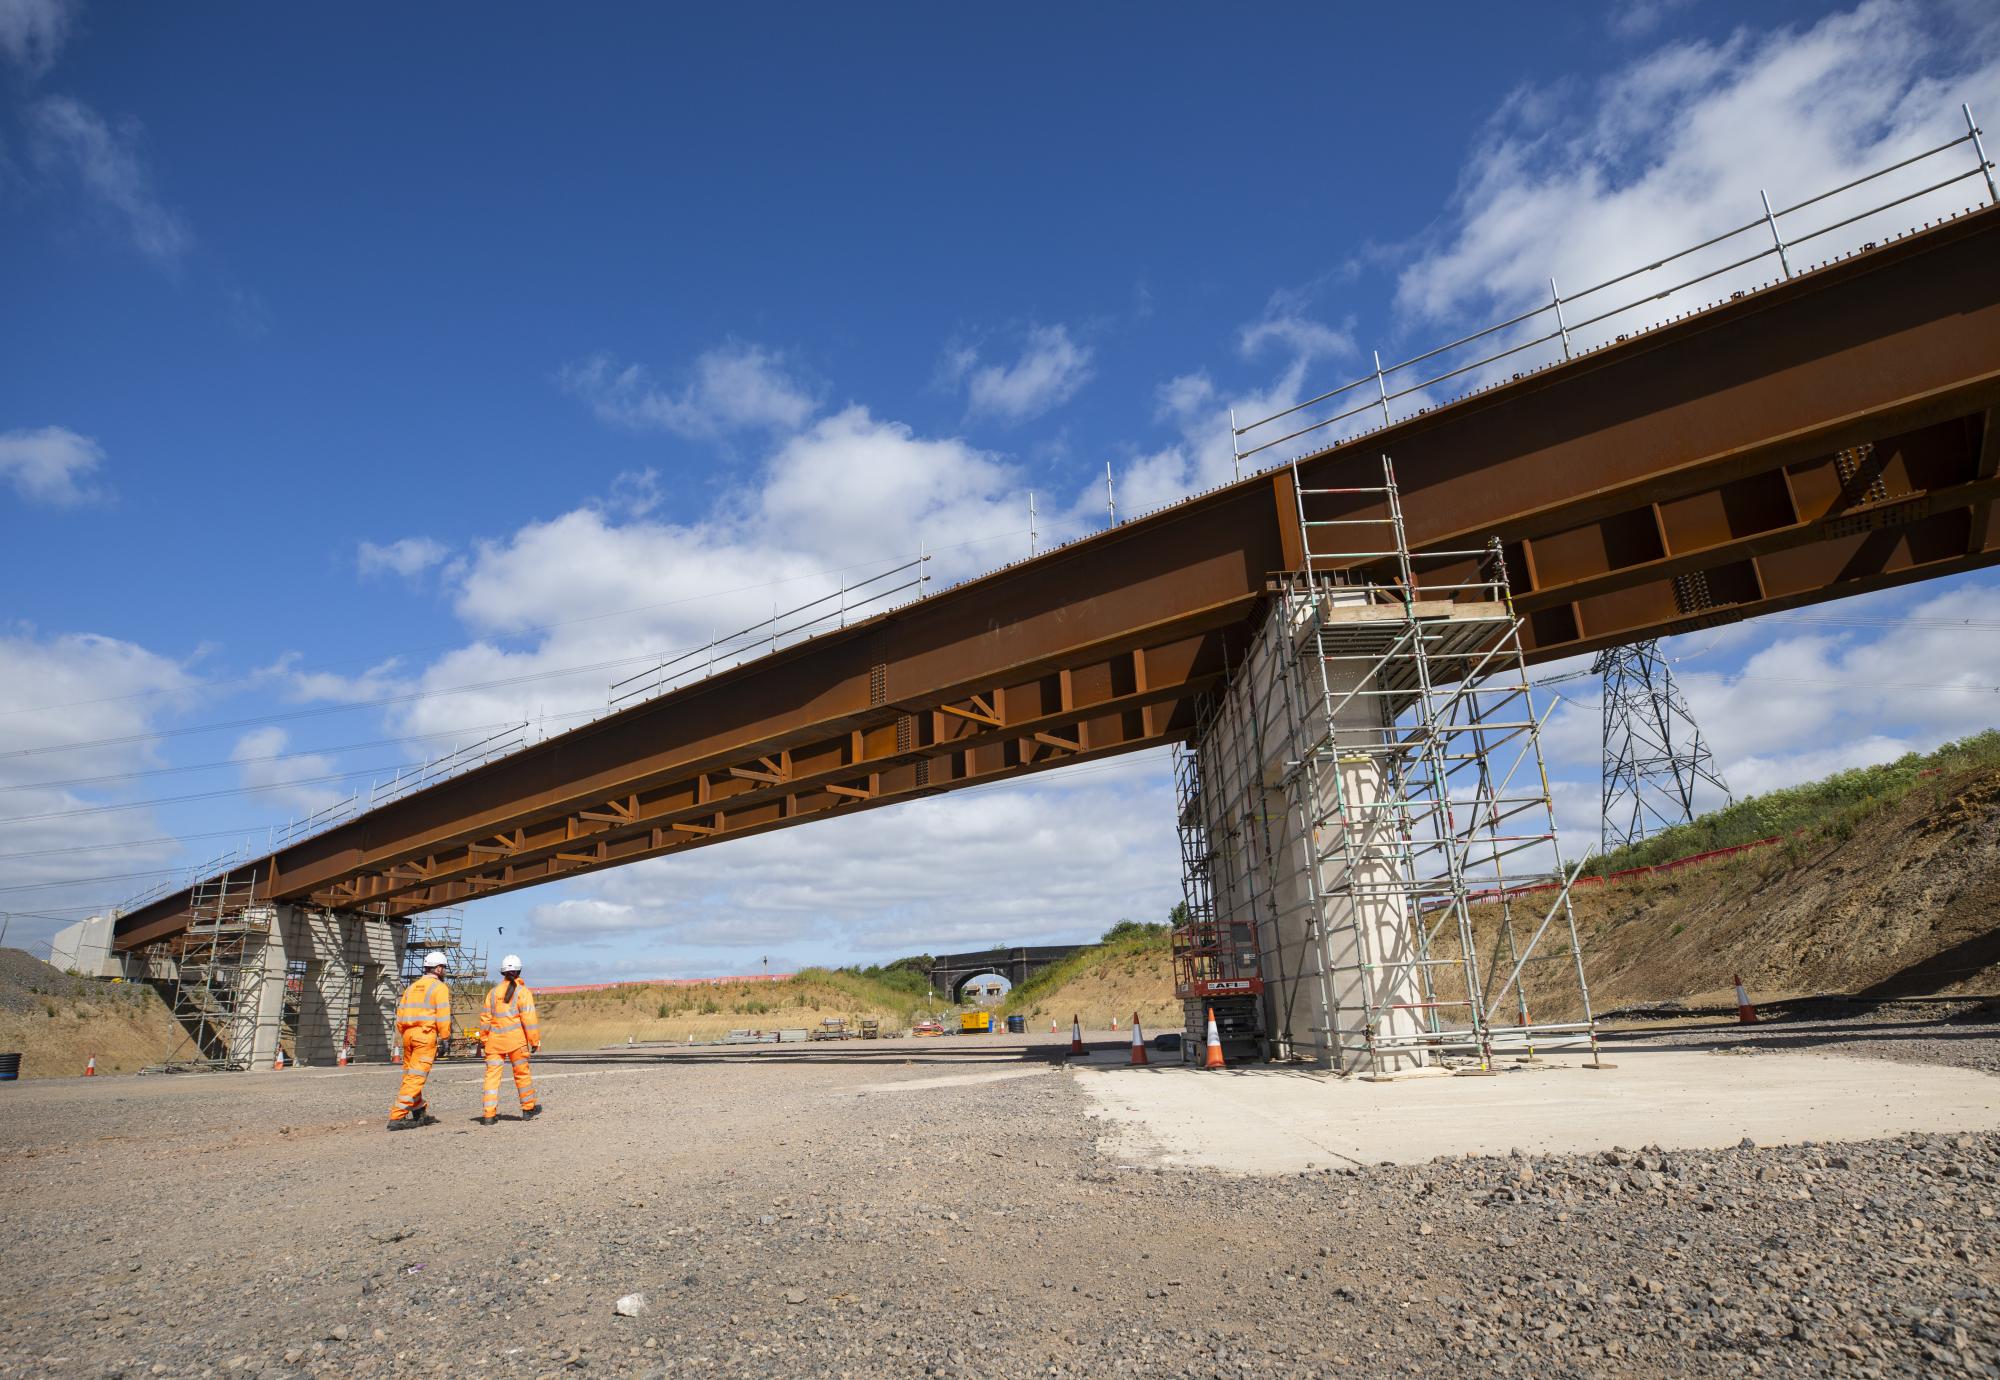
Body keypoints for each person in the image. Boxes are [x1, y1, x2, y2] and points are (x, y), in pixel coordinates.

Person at [387, 952, 451, 1130]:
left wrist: (405, 1033)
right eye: (443, 968)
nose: (444, 971)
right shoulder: (439, 988)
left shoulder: (412, 987)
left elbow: (400, 1014)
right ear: (438, 968)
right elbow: (443, 1015)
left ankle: (419, 1110)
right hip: (425, 1035)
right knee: (416, 1077)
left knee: (411, 1075)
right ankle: (397, 1116)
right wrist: (445, 1037)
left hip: (408, 1034)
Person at [478, 953, 542, 1126]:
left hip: (494, 1042)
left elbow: (485, 1019)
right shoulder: (523, 992)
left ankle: (489, 1115)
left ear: (503, 972)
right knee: (521, 1075)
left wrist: (484, 1039)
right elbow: (529, 1019)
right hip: (516, 1042)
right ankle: (528, 1109)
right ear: (519, 971)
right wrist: (534, 1041)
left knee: (491, 1078)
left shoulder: (492, 993)